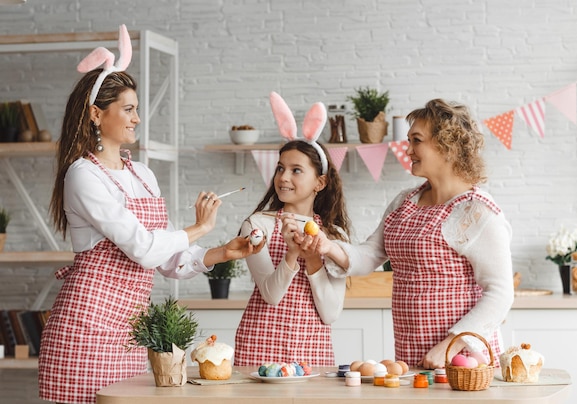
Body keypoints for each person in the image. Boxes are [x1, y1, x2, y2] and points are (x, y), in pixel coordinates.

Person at [38, 25, 263, 404]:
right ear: (96, 114)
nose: (137, 119)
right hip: (86, 330)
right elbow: (143, 249)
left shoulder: (142, 174)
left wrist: (223, 251)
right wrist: (198, 227)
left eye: (136, 109)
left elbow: (170, 259)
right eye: (128, 109)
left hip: (130, 334)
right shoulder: (83, 175)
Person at [311, 98, 514, 370]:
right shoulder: (404, 201)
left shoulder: (477, 212)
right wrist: (327, 246)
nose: (407, 150)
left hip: (464, 360)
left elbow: (501, 294)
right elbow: (370, 253)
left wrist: (450, 346)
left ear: (448, 146)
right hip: (412, 353)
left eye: (416, 140)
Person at [234, 92, 351, 367]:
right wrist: (290, 255)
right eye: (280, 168)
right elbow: (271, 294)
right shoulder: (256, 225)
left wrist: (312, 260)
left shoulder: (334, 237)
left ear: (319, 183)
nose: (283, 177)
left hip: (312, 351)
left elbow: (330, 313)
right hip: (258, 349)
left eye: (296, 170)